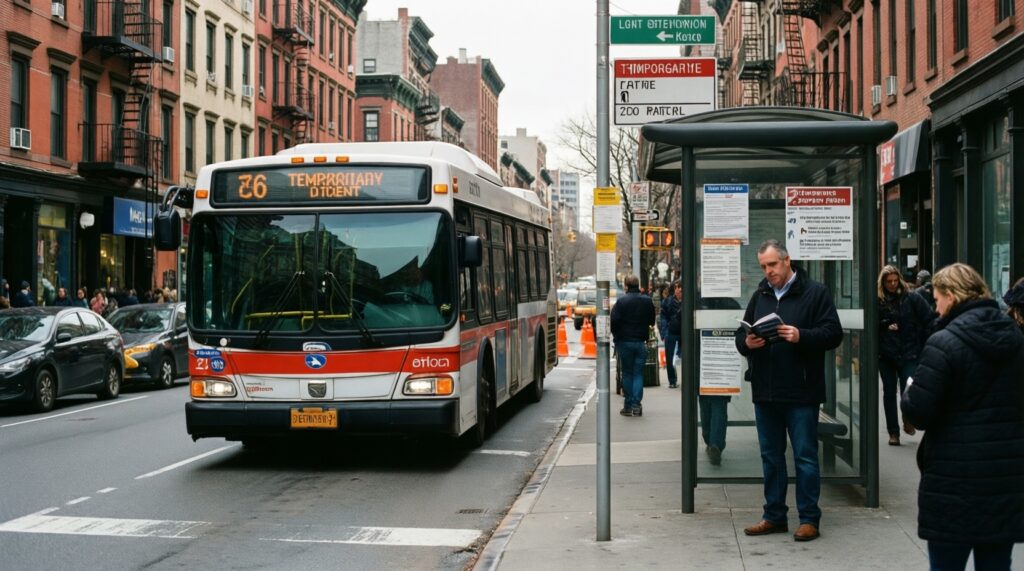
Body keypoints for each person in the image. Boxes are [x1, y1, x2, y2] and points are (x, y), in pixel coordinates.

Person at [901, 263, 1024, 570]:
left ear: (952, 296)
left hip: (953, 479)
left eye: (938, 298)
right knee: (996, 564)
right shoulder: (1014, 337)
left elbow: (920, 413)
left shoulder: (943, 343)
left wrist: (910, 390)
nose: (935, 306)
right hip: (1004, 475)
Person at [735, 239, 842, 542]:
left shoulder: (815, 293)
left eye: (772, 265)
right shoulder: (761, 294)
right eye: (763, 267)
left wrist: (801, 335)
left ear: (787, 261)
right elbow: (740, 335)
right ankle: (774, 516)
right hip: (766, 391)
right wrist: (747, 343)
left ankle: (809, 518)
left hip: (801, 391)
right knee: (771, 457)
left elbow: (833, 333)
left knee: (805, 456)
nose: (768, 272)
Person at [876, 265, 932, 446]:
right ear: (883, 283)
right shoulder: (878, 300)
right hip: (886, 354)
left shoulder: (911, 298)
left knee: (908, 389)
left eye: (894, 280)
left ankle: (907, 416)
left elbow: (928, 319)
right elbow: (871, 323)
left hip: (909, 351)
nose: (892, 284)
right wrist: (885, 325)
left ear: (899, 279)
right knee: (889, 392)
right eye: (888, 281)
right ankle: (893, 432)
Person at [611, 274, 655, 417]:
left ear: (626, 286)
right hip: (641, 342)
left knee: (627, 373)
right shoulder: (647, 301)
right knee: (638, 374)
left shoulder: (621, 302)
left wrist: (617, 337)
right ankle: (636, 405)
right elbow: (652, 321)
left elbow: (614, 322)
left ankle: (628, 405)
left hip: (625, 342)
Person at [660, 281, 682, 389]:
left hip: (684, 333)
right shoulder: (667, 302)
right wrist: (664, 332)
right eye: (678, 288)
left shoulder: (688, 300)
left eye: (681, 289)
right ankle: (672, 380)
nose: (680, 291)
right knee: (669, 357)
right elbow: (663, 318)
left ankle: (687, 379)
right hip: (671, 332)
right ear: (675, 289)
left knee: (685, 356)